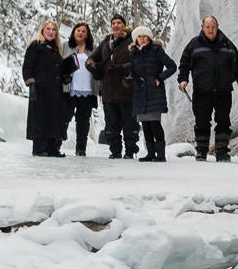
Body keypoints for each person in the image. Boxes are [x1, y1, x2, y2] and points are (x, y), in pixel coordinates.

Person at [177, 14, 238, 162]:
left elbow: (237, 66)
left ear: (217, 27)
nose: (211, 30)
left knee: (223, 122)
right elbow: (184, 64)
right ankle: (201, 152)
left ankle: (222, 152)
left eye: (213, 27)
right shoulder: (194, 44)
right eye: (207, 27)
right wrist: (183, 79)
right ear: (202, 28)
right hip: (202, 91)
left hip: (223, 91)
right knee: (202, 122)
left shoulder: (227, 45)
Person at [88, 14, 138, 159]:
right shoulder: (106, 42)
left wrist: (123, 68)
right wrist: (92, 65)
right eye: (113, 23)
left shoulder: (132, 41)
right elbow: (93, 57)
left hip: (126, 89)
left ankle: (130, 152)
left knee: (129, 124)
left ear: (124, 25)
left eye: (119, 23)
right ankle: (115, 152)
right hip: (108, 90)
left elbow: (138, 61)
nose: (116, 25)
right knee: (111, 125)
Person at [128, 26, 178, 162]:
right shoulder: (133, 53)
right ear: (135, 39)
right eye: (139, 37)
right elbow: (132, 71)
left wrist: (159, 78)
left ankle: (160, 155)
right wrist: (134, 79)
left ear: (149, 38)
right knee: (145, 125)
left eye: (145, 36)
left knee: (155, 123)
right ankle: (150, 153)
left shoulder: (157, 50)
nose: (142, 39)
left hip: (155, 92)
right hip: (140, 93)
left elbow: (172, 66)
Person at [20, 19, 68, 157]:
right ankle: (39, 148)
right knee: (40, 118)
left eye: (54, 30)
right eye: (48, 29)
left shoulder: (56, 49)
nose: (51, 32)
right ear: (42, 30)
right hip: (40, 89)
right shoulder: (36, 46)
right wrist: (31, 83)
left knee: (54, 118)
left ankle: (52, 147)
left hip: (55, 90)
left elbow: (57, 68)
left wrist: (65, 76)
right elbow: (28, 66)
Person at [63, 22, 97, 156]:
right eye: (78, 30)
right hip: (69, 89)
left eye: (84, 31)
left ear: (87, 34)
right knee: (64, 118)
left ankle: (81, 149)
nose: (80, 33)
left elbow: (98, 67)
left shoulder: (93, 49)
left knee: (83, 122)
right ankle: (57, 144)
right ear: (73, 32)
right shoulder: (66, 46)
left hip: (87, 90)